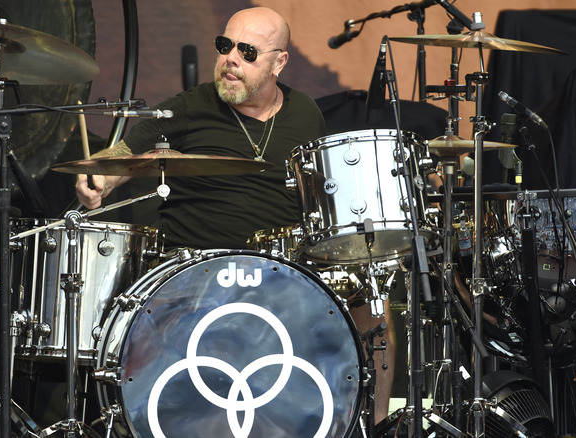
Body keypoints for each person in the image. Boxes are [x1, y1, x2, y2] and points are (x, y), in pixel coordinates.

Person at [75, 6, 394, 424]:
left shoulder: (305, 115)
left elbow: (322, 205)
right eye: (225, 46)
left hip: (284, 275)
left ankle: (375, 426)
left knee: (375, 302)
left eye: (247, 52)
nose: (231, 59)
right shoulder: (189, 107)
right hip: (196, 276)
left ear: (279, 62)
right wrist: (97, 177)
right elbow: (125, 153)